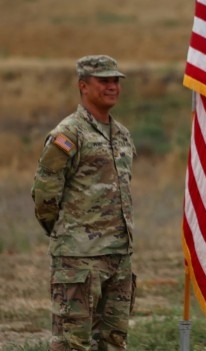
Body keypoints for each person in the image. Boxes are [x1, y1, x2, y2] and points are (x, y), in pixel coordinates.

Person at [32, 55, 136, 351]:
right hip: (79, 260)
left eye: (115, 80)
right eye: (103, 80)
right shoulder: (69, 134)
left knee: (113, 342)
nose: (112, 86)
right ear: (83, 86)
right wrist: (69, 235)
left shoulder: (122, 135)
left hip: (119, 258)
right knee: (71, 344)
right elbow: (44, 193)